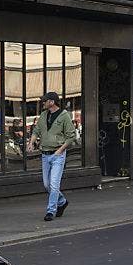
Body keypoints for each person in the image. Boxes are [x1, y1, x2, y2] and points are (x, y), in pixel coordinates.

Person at [29, 91, 77, 221]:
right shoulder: (43, 115)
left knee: (54, 184)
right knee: (47, 184)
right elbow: (36, 130)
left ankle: (51, 211)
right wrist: (31, 142)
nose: (42, 103)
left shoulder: (64, 116)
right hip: (45, 154)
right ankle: (62, 202)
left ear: (52, 102)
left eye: (45, 101)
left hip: (57, 154)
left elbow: (71, 136)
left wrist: (60, 150)